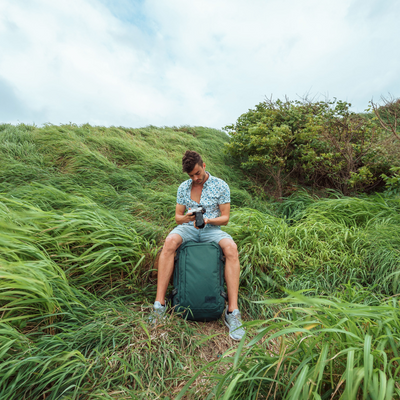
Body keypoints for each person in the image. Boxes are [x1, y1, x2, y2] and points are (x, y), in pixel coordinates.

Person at [150, 150, 245, 340]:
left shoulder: (220, 185)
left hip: (212, 229)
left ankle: (232, 311)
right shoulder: (184, 187)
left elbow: (225, 218)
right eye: (191, 175)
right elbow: (177, 217)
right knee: (169, 243)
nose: (195, 178)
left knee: (232, 249)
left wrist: (208, 220)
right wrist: (186, 217)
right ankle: (159, 305)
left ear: (204, 166)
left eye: (197, 173)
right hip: (188, 228)